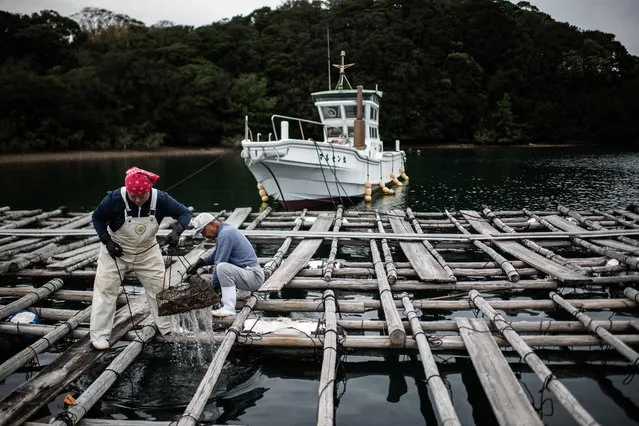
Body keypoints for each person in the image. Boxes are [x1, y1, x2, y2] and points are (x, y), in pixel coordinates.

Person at [90, 166, 192, 350]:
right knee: (105, 291)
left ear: (149, 191)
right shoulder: (113, 199)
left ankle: (167, 328)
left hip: (147, 250)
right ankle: (99, 335)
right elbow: (97, 218)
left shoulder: (160, 198)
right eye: (133, 196)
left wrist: (177, 231)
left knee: (160, 288)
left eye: (141, 197)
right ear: (127, 191)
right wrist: (107, 241)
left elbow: (185, 213)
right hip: (116, 251)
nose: (137, 200)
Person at [186, 213, 264, 317]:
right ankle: (243, 293)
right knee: (222, 267)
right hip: (250, 275)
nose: (204, 236)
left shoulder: (225, 234)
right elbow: (217, 254)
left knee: (222, 268)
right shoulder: (225, 230)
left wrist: (213, 288)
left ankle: (228, 308)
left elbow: (219, 261)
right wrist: (201, 263)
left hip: (254, 277)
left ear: (212, 224)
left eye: (203, 232)